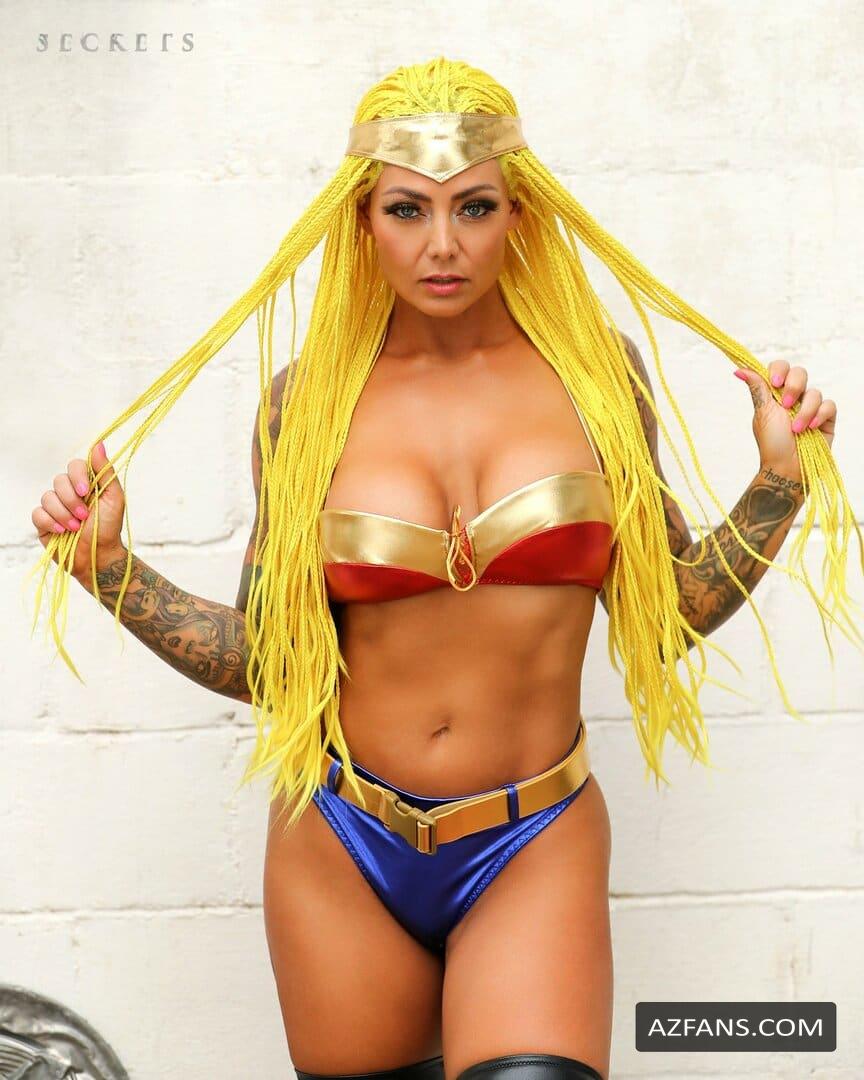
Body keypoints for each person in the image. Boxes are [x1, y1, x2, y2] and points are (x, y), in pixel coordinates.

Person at [27, 57, 857, 1080]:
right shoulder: (304, 405)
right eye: (407, 210)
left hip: (532, 837)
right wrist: (110, 569)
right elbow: (268, 665)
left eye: (474, 207)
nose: (443, 245)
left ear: (519, 214)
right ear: (362, 222)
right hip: (340, 843)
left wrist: (778, 484)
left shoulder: (599, 379)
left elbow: (672, 610)